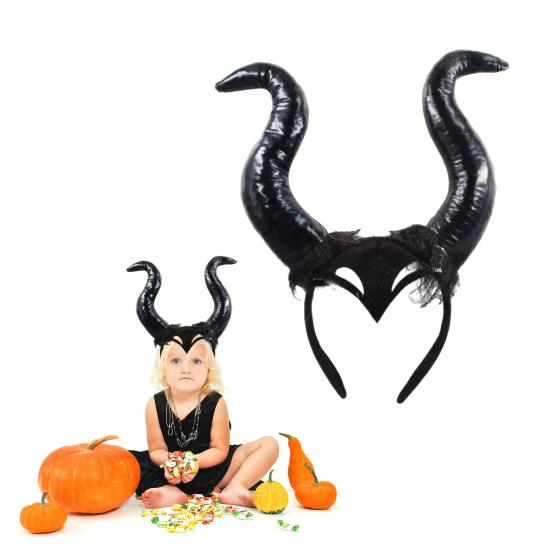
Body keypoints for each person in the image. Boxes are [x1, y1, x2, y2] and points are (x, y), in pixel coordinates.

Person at [127, 257, 278, 509]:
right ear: (163, 366)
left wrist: (192, 463)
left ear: (209, 367)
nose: (186, 368)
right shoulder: (154, 404)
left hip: (212, 470)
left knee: (269, 444)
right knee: (128, 460)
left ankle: (236, 487)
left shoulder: (215, 402)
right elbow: (156, 450)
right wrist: (173, 465)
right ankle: (170, 491)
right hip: (169, 472)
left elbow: (219, 450)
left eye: (196, 361)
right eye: (176, 361)